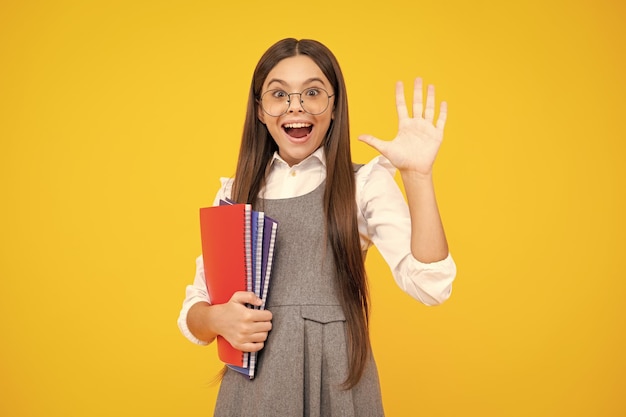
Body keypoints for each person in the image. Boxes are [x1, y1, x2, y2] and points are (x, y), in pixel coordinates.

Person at [177, 38, 456, 416]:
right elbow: (195, 309)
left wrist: (418, 178)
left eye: (312, 92)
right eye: (279, 94)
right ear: (260, 110)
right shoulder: (233, 192)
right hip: (252, 396)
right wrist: (216, 318)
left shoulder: (363, 185)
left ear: (334, 105)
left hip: (337, 389)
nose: (296, 106)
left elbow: (430, 285)